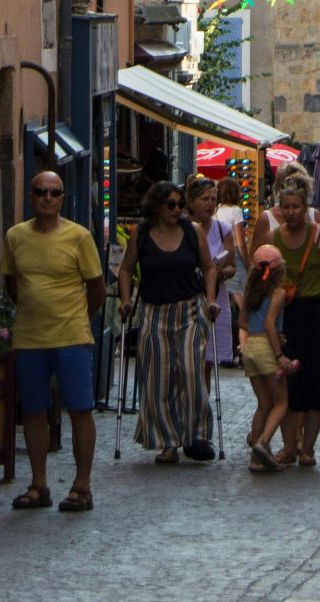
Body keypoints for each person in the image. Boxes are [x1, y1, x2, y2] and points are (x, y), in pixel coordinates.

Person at [2, 170, 104, 513]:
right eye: (41, 192)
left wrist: (74, 318)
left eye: (54, 192)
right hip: (30, 338)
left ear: (62, 198)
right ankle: (39, 483)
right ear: (31, 197)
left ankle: (82, 486)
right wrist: (34, 313)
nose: (48, 197)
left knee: (79, 409)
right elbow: (12, 285)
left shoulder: (79, 237)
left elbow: (97, 289)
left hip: (72, 336)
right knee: (33, 411)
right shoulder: (15, 237)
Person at [116, 179, 220, 464]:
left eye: (180, 204)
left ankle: (196, 434)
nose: (177, 210)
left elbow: (209, 268)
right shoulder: (141, 234)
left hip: (189, 309)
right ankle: (168, 441)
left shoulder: (192, 231)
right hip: (153, 310)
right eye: (171, 205)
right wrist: (125, 300)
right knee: (158, 377)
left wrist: (211, 299)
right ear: (156, 206)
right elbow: (125, 270)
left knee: (190, 372)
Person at [268, 178, 320, 467]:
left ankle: (308, 448)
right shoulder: (275, 239)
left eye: (295, 207)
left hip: (316, 313)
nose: (290, 212)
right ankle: (289, 446)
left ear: (306, 207)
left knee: (316, 384)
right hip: (288, 314)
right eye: (285, 207)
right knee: (288, 384)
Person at [239, 244, 299, 472]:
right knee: (281, 402)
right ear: (278, 269)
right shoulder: (278, 293)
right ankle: (263, 443)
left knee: (263, 404)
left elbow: (243, 322)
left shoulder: (250, 290)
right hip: (266, 348)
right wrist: (279, 354)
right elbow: (270, 325)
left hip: (250, 347)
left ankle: (255, 458)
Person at [186, 175, 240, 370]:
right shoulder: (183, 228)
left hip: (215, 295)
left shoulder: (222, 228)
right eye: (204, 199)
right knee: (189, 357)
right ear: (192, 202)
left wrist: (222, 271)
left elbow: (232, 266)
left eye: (212, 200)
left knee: (207, 361)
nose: (210, 204)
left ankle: (203, 400)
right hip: (188, 295)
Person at [215, 176, 249, 353]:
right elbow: (239, 241)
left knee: (222, 301)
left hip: (219, 256)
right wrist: (247, 261)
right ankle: (244, 344)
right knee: (243, 302)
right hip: (233, 257)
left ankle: (221, 343)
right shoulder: (236, 211)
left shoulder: (216, 211)